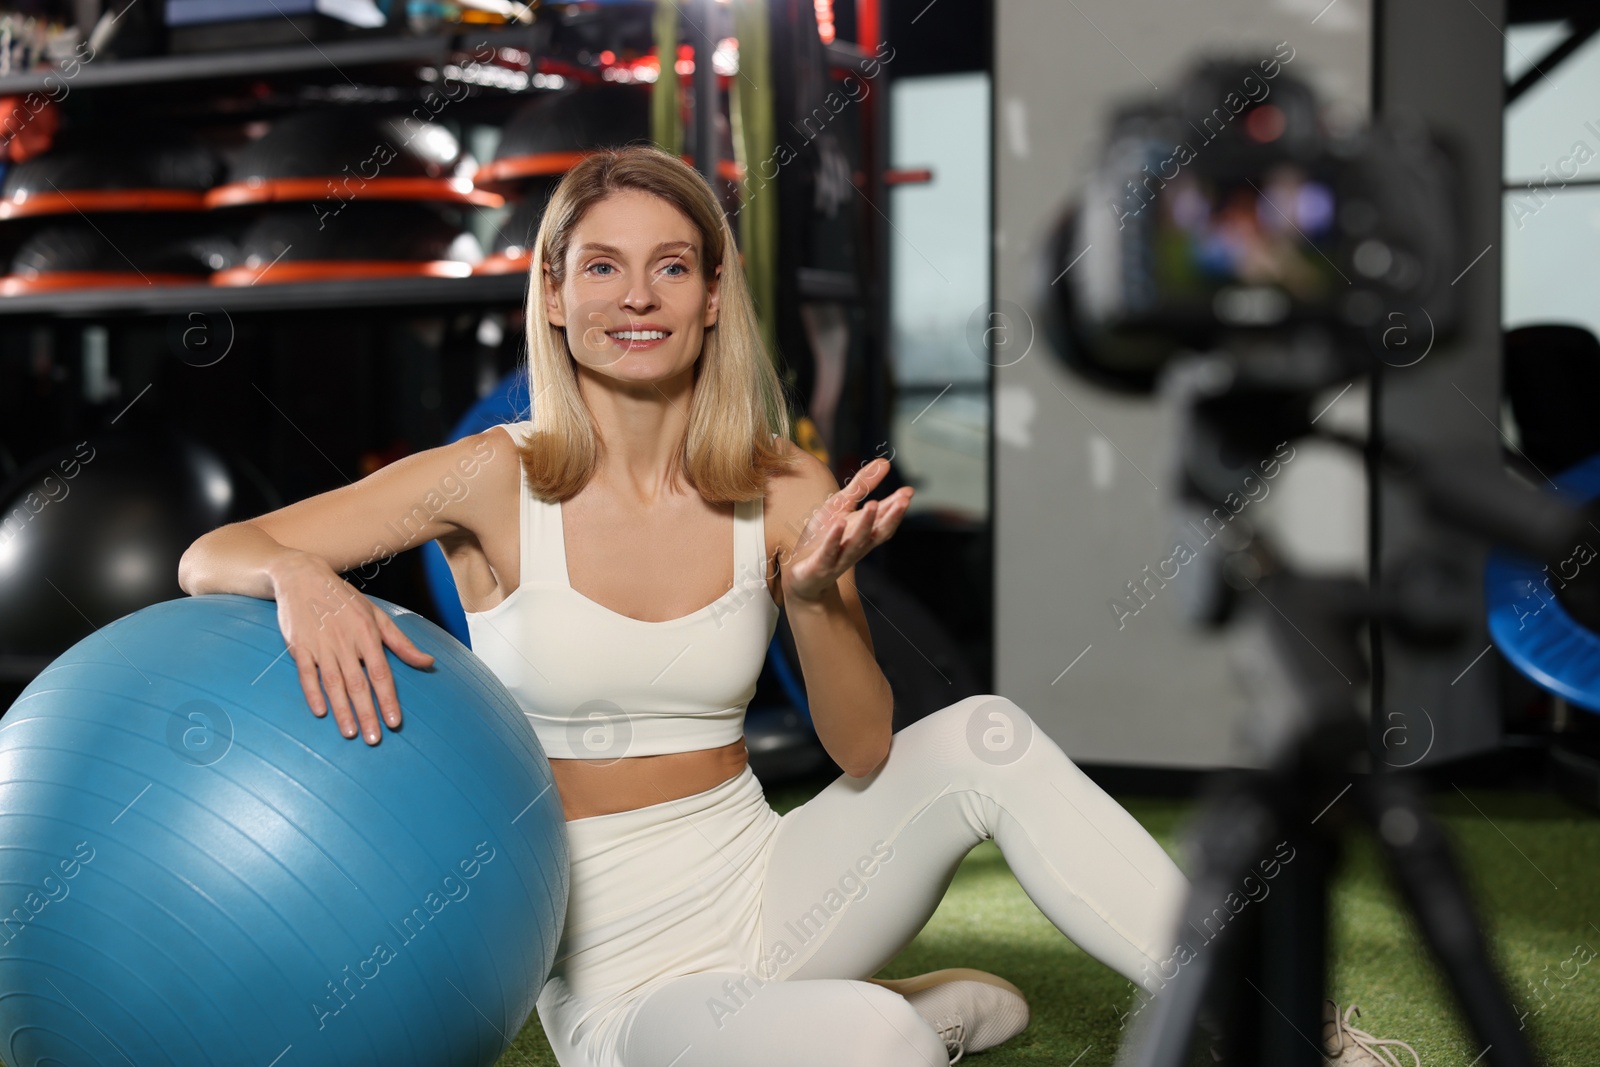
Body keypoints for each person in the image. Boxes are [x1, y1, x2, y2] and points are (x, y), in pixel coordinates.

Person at [178, 144, 1190, 1067]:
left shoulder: (782, 481)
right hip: (622, 976)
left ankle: (1282, 1026)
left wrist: (814, 593)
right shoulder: (489, 476)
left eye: (671, 265)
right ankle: (891, 1015)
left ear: (712, 295)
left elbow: (864, 748)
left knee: (988, 734)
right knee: (882, 1039)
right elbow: (213, 552)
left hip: (772, 881)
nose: (637, 295)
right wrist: (300, 575)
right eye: (603, 265)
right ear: (557, 292)